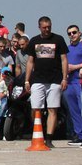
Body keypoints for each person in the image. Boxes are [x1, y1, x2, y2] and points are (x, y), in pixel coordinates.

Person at [23, 16, 69, 146]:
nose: (47, 29)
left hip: (55, 80)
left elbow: (64, 59)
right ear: (39, 27)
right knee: (35, 108)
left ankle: (49, 139)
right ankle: (38, 131)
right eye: (44, 27)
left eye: (49, 27)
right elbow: (30, 62)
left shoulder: (58, 39)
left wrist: (65, 78)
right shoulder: (34, 41)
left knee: (52, 109)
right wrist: (27, 80)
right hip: (37, 80)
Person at [62, 24, 82, 146]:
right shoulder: (67, 49)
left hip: (80, 81)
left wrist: (75, 67)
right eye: (69, 33)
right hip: (69, 82)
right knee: (73, 110)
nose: (72, 35)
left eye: (74, 32)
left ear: (80, 33)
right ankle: (78, 134)